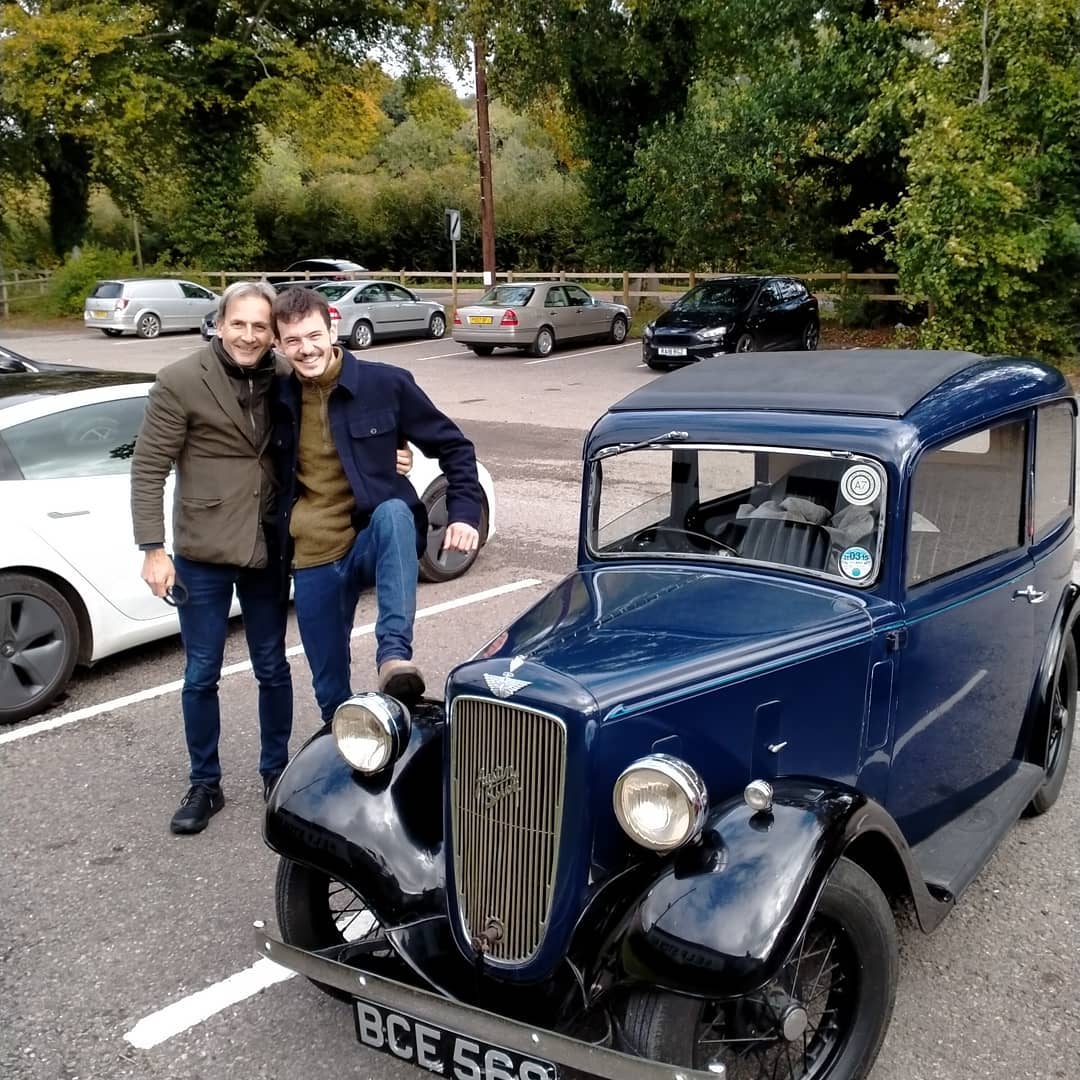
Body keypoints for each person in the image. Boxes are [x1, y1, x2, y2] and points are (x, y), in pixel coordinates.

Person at [270, 286, 481, 721]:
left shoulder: (386, 385)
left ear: (333, 327)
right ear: (278, 344)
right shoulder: (276, 400)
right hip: (312, 553)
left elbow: (455, 448)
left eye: (313, 335)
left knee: (394, 513)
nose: (306, 349)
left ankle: (393, 658)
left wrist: (464, 513)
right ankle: (349, 754)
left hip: (369, 537)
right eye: (292, 341)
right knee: (329, 688)